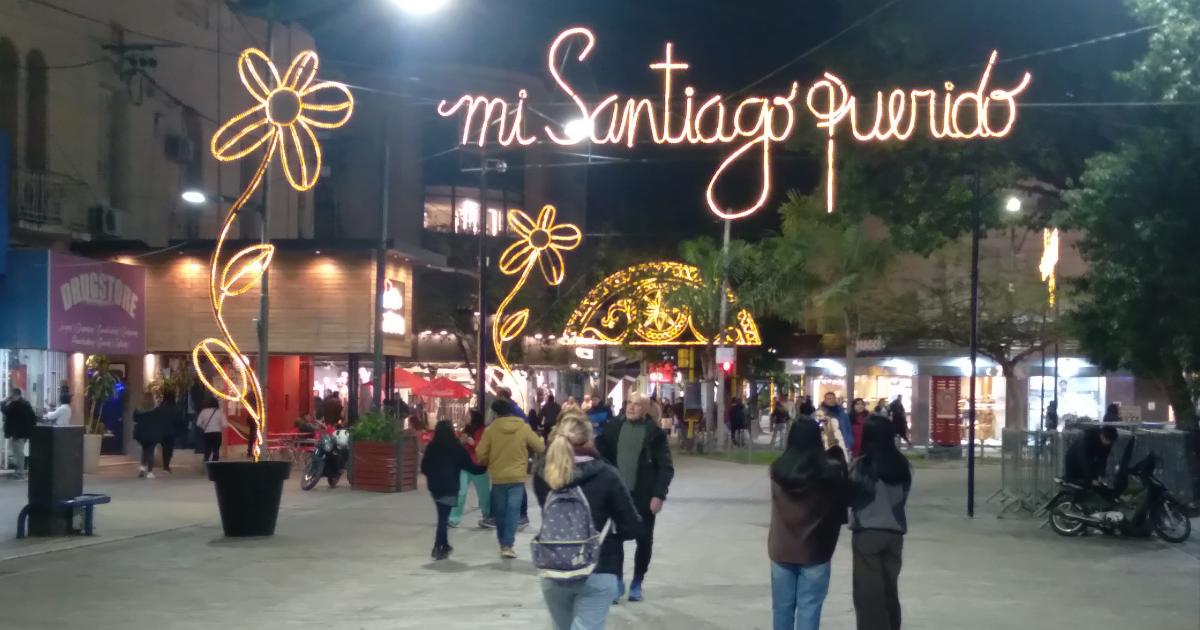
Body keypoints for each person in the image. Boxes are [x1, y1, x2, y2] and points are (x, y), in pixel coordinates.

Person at [534, 411, 644, 630]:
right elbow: (632, 527)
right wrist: (609, 531)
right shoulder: (607, 475)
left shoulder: (543, 474)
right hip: (599, 568)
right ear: (589, 439)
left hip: (554, 568)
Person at [769, 419, 850, 630]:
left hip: (781, 549)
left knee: (782, 608)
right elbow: (840, 507)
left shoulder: (777, 470)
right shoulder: (829, 473)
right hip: (816, 551)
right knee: (810, 608)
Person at [596, 392, 674, 603]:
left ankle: (637, 581)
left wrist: (658, 495)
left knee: (644, 541)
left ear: (646, 409)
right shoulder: (613, 427)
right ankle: (617, 581)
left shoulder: (654, 433)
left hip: (643, 497)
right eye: (629, 403)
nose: (631, 407)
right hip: (617, 496)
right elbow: (600, 455)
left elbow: (665, 468)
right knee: (613, 541)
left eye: (637, 404)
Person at [849, 418, 912, 630]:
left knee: (868, 596)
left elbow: (852, 498)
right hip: (894, 534)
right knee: (889, 590)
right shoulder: (902, 465)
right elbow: (903, 496)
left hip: (867, 533)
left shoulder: (861, 466)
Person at [476, 398, 545, 558]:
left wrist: (488, 460)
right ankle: (508, 544)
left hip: (498, 477)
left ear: (495, 413)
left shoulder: (491, 430)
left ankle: (503, 542)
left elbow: (481, 454)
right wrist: (540, 440)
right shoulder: (523, 427)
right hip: (517, 477)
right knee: (513, 512)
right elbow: (540, 447)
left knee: (500, 512)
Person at [421, 420, 487, 560]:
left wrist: (433, 476)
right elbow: (471, 468)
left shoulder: (431, 447)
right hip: (450, 487)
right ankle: (438, 547)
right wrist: (486, 467)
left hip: (435, 488)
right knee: (443, 519)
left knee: (442, 516)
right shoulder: (457, 448)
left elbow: (424, 468)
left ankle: (444, 545)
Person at [451, 410, 492, 529]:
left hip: (479, 466)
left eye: (468, 415)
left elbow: (484, 447)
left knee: (484, 495)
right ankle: (454, 519)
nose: (465, 417)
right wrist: (461, 441)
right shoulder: (466, 430)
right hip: (464, 465)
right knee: (460, 492)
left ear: (474, 418)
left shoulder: (483, 430)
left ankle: (487, 516)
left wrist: (473, 443)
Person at [133, 393, 172, 479]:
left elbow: (135, 418)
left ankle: (142, 469)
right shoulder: (156, 410)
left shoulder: (139, 409)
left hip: (142, 433)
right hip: (152, 433)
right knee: (150, 451)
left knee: (144, 450)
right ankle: (150, 472)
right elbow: (161, 420)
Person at [2, 388, 37, 479]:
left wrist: (6, 400)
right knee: (17, 451)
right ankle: (19, 470)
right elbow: (33, 417)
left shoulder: (15, 404)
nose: (10, 396)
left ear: (14, 394)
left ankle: (20, 472)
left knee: (18, 452)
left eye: (11, 394)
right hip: (24, 433)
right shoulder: (26, 403)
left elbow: (4, 409)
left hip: (17, 433)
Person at [195, 395, 228, 462]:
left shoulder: (203, 412)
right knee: (216, 449)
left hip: (207, 433)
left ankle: (206, 463)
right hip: (217, 433)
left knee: (207, 449)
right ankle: (215, 464)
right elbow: (225, 424)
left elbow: (198, 423)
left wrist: (204, 427)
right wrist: (219, 427)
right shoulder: (220, 412)